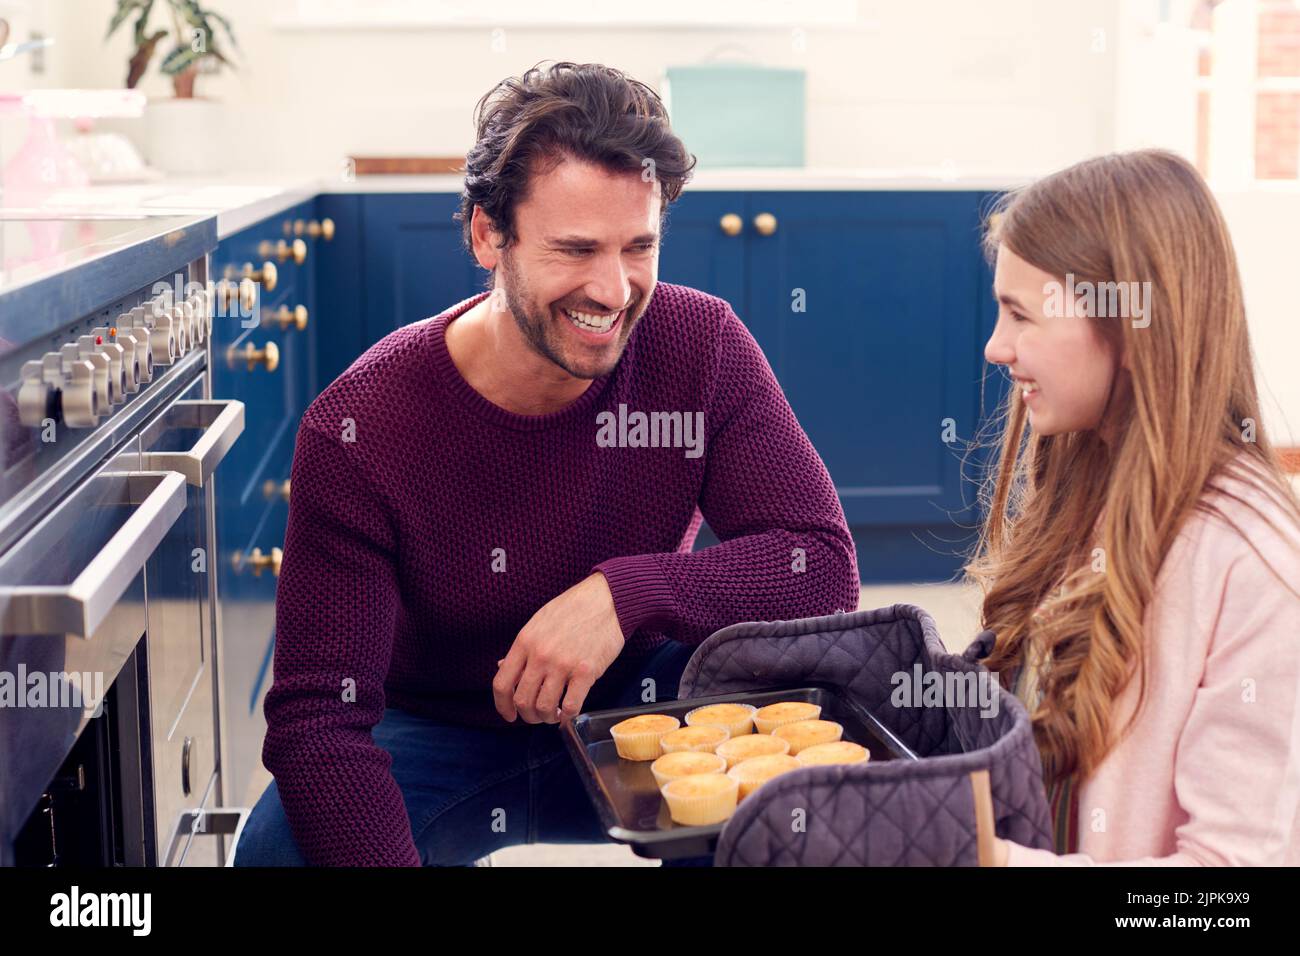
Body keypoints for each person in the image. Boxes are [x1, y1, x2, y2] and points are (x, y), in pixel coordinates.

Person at [233, 61, 858, 867]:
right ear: (488, 235)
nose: (613, 289)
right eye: (575, 249)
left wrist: (624, 596)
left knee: (802, 815)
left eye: (640, 247)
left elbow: (820, 566)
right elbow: (317, 719)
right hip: (431, 733)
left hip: (637, 702)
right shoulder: (360, 427)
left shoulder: (699, 345)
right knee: (278, 853)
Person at [971, 149, 1300, 865]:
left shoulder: (1254, 567)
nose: (997, 347)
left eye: (1021, 315)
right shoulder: (1083, 477)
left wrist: (980, 859)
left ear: (1127, 326)